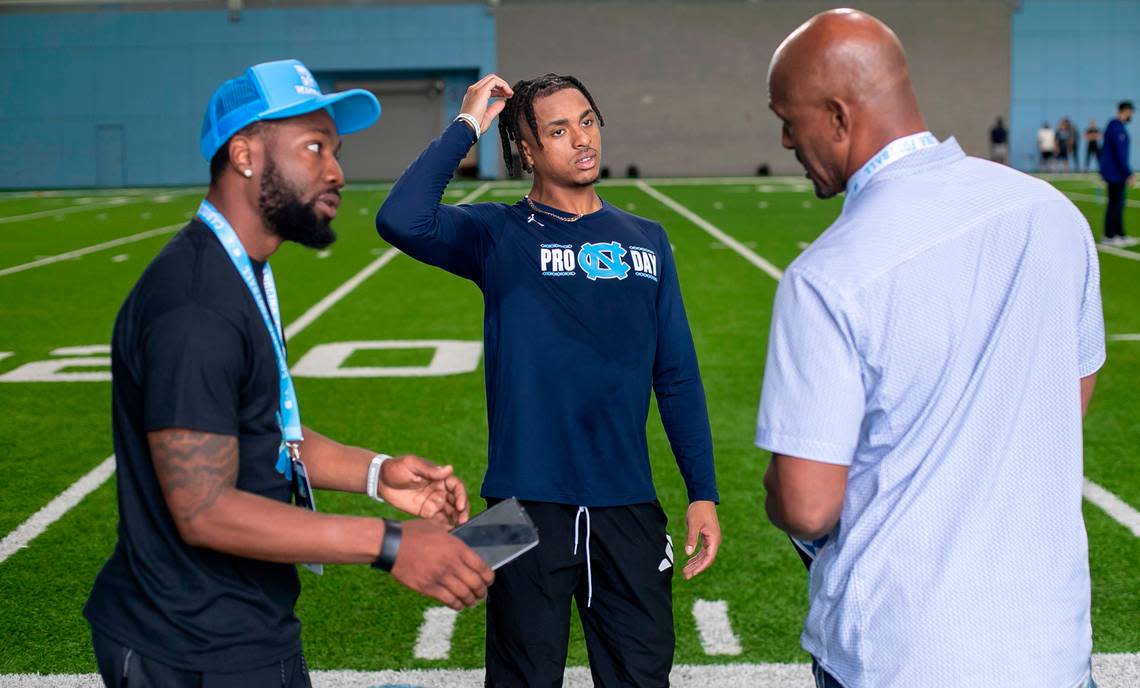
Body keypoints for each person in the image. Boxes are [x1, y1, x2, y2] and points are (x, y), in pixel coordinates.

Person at [84, 59, 494, 688]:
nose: (336, 171)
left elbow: (260, 433)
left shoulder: (237, 271)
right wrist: (390, 544)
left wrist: (378, 473)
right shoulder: (196, 307)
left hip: (236, 625)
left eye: (335, 149)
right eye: (313, 148)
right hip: (191, 647)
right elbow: (204, 509)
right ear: (245, 155)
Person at [760, 9, 1103, 688]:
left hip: (899, 654)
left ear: (836, 115)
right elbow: (1070, 399)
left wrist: (777, 488)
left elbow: (806, 504)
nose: (784, 138)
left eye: (786, 116)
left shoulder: (828, 275)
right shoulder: (1052, 215)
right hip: (1051, 652)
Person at [376, 73, 721, 686]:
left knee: (643, 676)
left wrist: (703, 492)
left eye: (587, 121)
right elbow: (401, 218)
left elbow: (676, 376)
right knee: (519, 678)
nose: (581, 140)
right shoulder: (496, 234)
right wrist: (467, 126)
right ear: (527, 151)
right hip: (517, 506)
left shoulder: (648, 240)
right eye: (558, 130)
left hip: (630, 504)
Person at [1098, 100, 1135, 246]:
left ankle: (1119, 234)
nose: (1131, 115)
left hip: (1115, 172)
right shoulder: (1116, 128)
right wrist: (1128, 173)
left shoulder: (1116, 127)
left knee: (1118, 203)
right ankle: (1109, 235)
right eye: (1131, 111)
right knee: (1115, 204)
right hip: (1115, 173)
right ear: (1125, 111)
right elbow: (1120, 154)